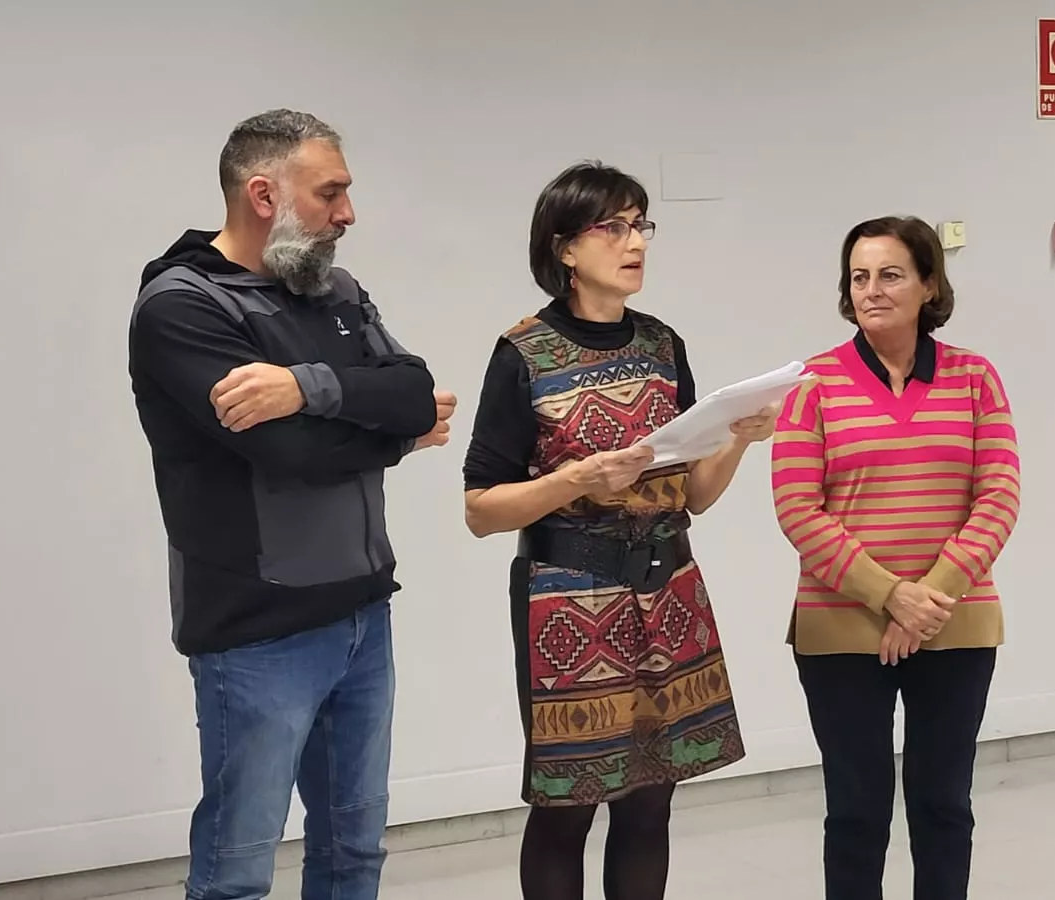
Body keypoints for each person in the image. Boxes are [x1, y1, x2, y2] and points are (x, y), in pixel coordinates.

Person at [128, 109, 455, 900]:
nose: (348, 214)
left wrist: (307, 387)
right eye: (330, 193)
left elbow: (414, 390)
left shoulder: (333, 291)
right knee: (238, 872)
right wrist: (395, 438)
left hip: (362, 617)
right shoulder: (183, 306)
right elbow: (291, 456)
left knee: (353, 854)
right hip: (256, 634)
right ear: (263, 193)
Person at [462, 161, 768, 900]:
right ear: (565, 249)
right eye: (613, 227)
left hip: (669, 590)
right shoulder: (524, 353)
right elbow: (480, 508)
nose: (635, 243)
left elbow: (692, 494)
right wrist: (576, 480)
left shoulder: (662, 346)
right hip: (570, 597)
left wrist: (738, 440)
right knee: (569, 803)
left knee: (651, 798)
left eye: (641, 225)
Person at [771, 216, 1021, 900]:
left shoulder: (976, 378)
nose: (871, 290)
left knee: (944, 806)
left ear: (928, 284)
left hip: (955, 625)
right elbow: (798, 508)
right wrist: (891, 596)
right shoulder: (811, 384)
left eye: (890, 274)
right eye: (859, 277)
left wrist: (927, 600)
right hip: (841, 628)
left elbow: (998, 497)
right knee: (856, 813)